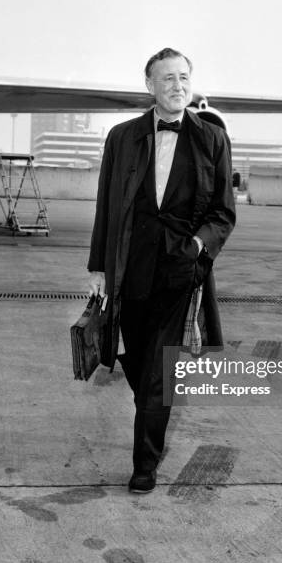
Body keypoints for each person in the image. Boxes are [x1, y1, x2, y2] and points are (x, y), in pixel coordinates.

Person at [87, 48, 236, 494]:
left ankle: (144, 465)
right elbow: (106, 208)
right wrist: (98, 266)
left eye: (184, 77)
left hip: (179, 270)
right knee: (141, 363)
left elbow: (223, 213)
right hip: (130, 266)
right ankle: (151, 400)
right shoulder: (122, 137)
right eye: (167, 78)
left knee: (159, 374)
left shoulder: (213, 139)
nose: (177, 86)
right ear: (149, 85)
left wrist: (196, 246)